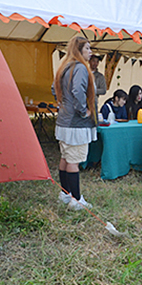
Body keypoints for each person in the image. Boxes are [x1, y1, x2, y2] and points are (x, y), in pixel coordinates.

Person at [52, 36, 96, 210]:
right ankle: (76, 200)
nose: (91, 52)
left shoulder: (65, 66)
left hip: (64, 121)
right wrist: (82, 109)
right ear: (79, 51)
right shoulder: (79, 67)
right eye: (88, 48)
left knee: (66, 157)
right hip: (75, 123)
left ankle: (65, 194)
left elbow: (53, 87)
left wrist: (61, 102)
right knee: (73, 160)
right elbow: (78, 90)